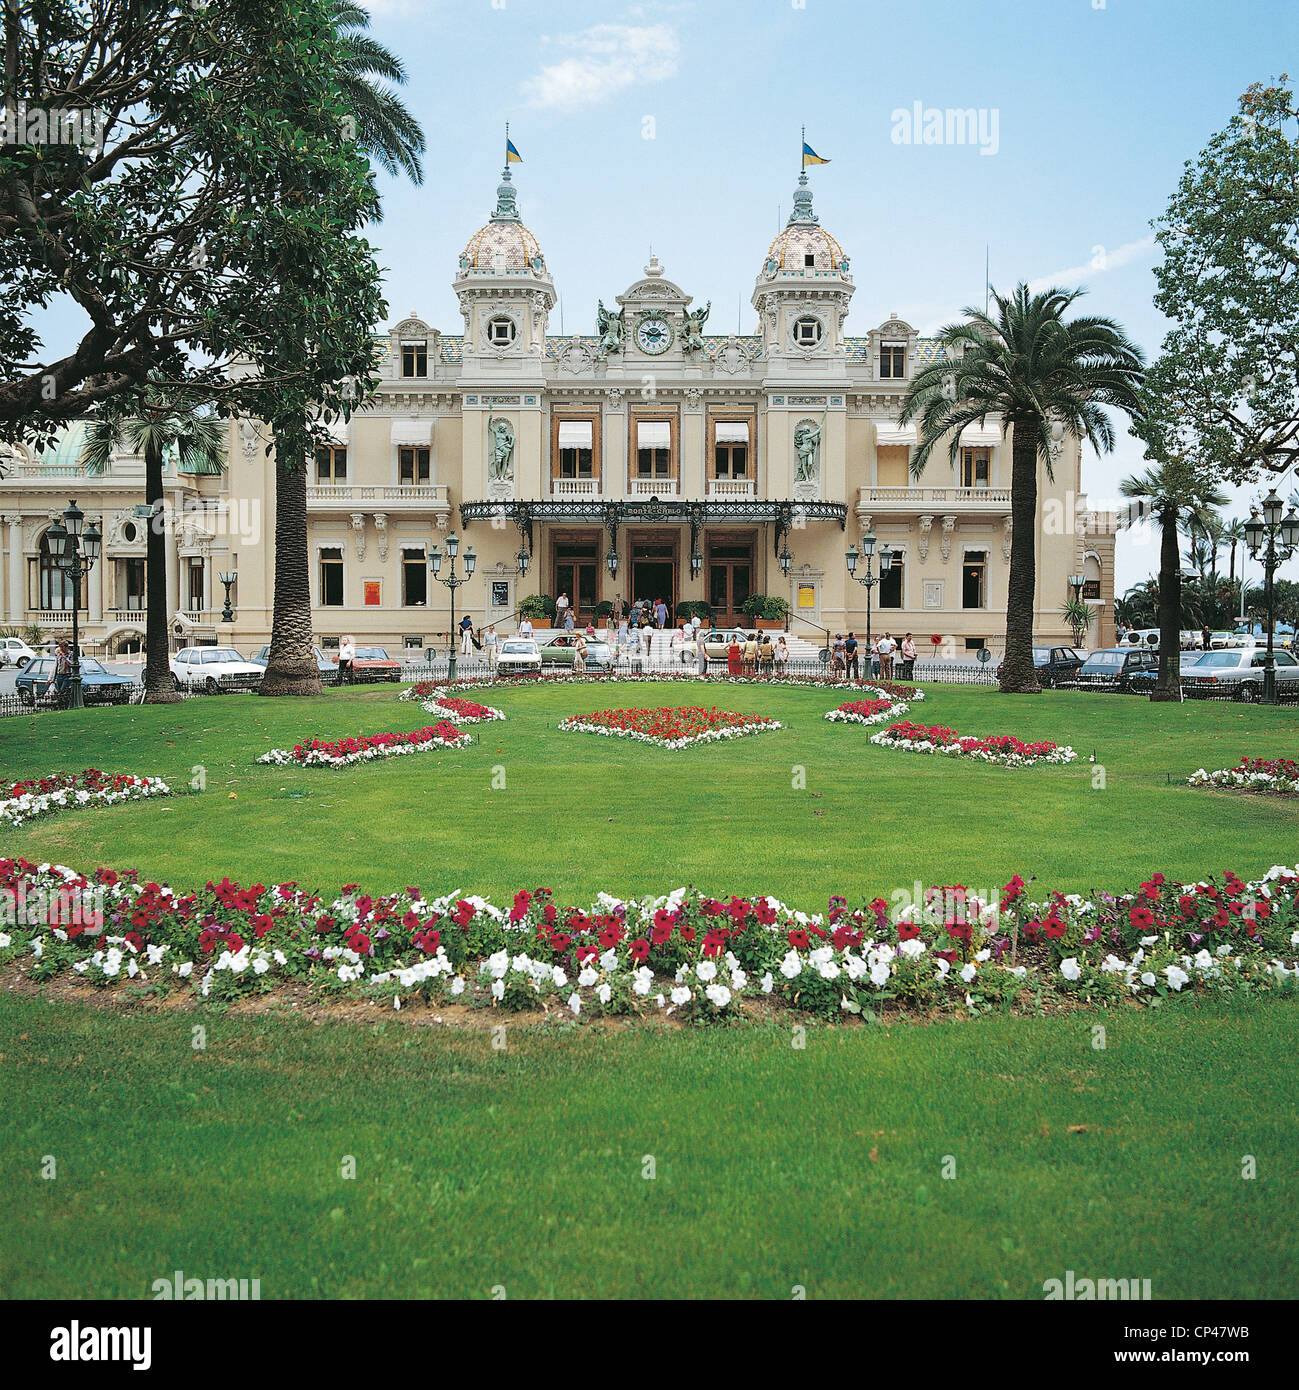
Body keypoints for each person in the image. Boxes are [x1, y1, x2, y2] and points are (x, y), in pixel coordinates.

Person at [53, 639, 72, 705]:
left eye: (62, 647)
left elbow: (71, 664)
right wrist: (53, 677)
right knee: (59, 690)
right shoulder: (58, 655)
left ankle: (62, 703)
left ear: (66, 647)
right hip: (59, 675)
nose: (60, 648)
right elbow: (56, 666)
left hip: (67, 675)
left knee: (62, 690)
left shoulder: (71, 654)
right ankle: (61, 703)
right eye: (60, 647)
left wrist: (64, 657)